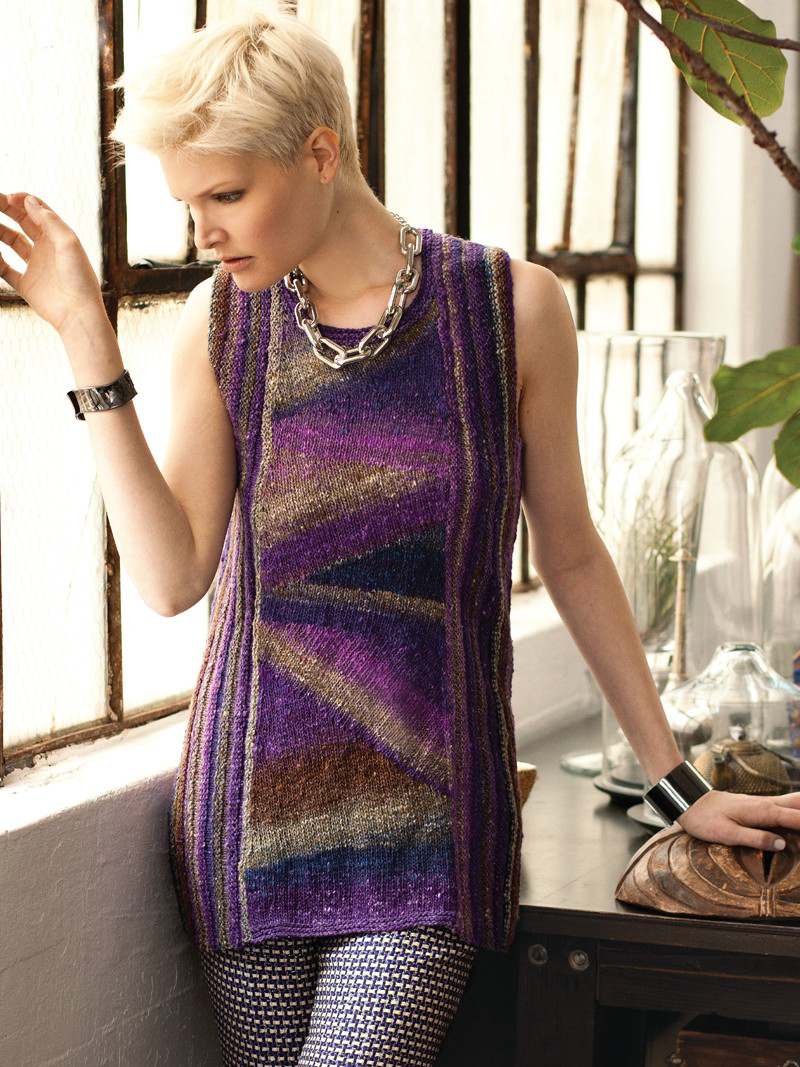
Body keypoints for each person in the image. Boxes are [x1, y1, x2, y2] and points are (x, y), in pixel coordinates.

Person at [2, 4, 799, 1066]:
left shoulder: (508, 309)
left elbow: (569, 553)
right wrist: (86, 340)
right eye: (190, 203)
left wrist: (677, 785)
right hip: (247, 826)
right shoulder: (221, 321)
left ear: (319, 152)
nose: (205, 232)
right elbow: (169, 575)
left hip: (432, 826)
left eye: (227, 195)